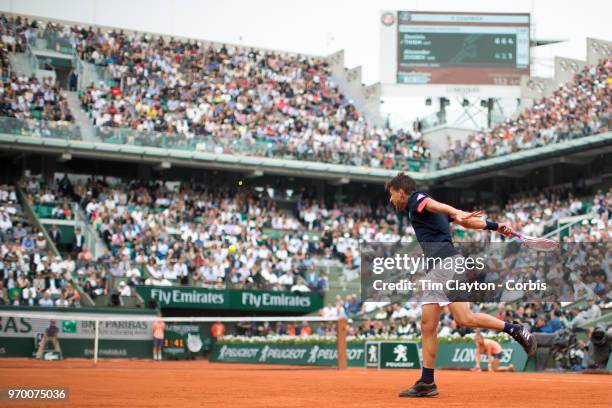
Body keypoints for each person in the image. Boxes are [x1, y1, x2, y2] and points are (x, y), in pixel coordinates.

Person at [385, 173, 536, 398]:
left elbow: (435, 205)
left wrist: (453, 211)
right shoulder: (423, 210)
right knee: (427, 325)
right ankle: (427, 382)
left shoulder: (417, 198)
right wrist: (495, 226)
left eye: (390, 195)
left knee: (464, 319)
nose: (390, 200)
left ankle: (515, 329)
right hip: (435, 267)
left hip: (446, 264)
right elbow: (467, 221)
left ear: (400, 190)